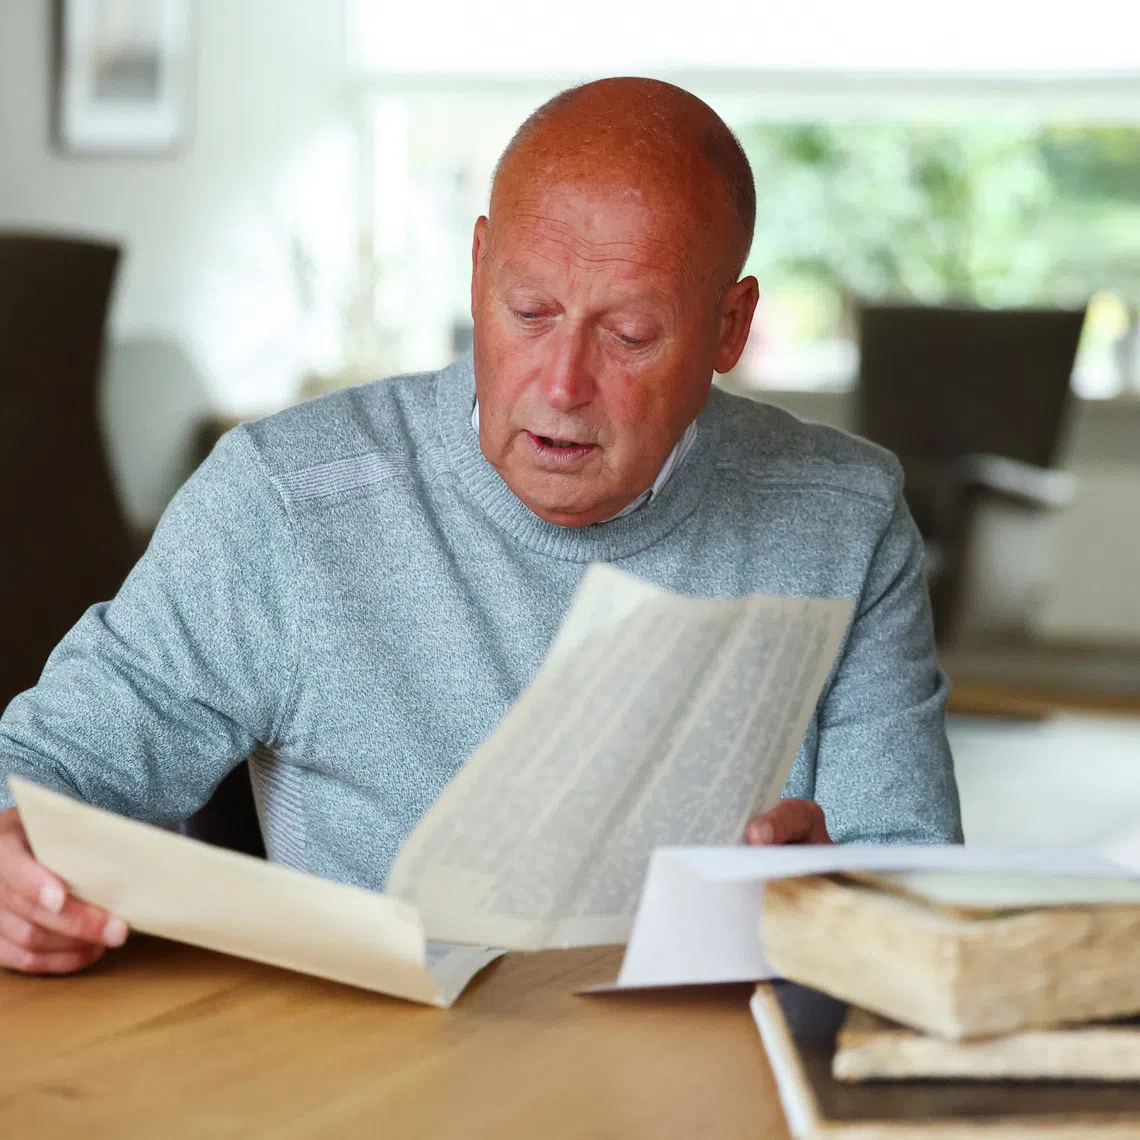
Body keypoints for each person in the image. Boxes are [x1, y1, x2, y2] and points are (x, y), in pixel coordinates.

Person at [0, 78, 961, 976]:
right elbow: (40, 775)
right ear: (476, 269)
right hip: (374, 1076)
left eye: (629, 335)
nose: (560, 384)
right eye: (529, 311)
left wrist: (842, 897)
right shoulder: (287, 501)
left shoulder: (844, 515)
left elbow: (914, 886)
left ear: (730, 327)